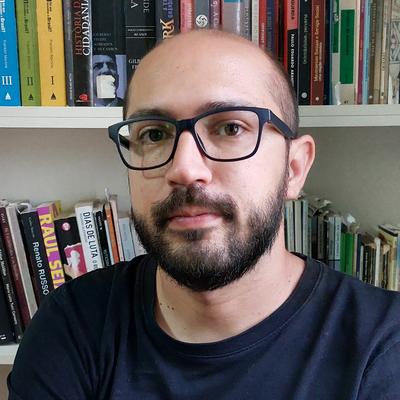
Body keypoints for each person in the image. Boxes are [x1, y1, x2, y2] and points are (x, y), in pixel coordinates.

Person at [8, 30, 400, 399]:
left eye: (230, 128)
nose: (184, 169)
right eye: (154, 134)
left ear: (294, 169)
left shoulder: (385, 347)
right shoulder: (73, 325)